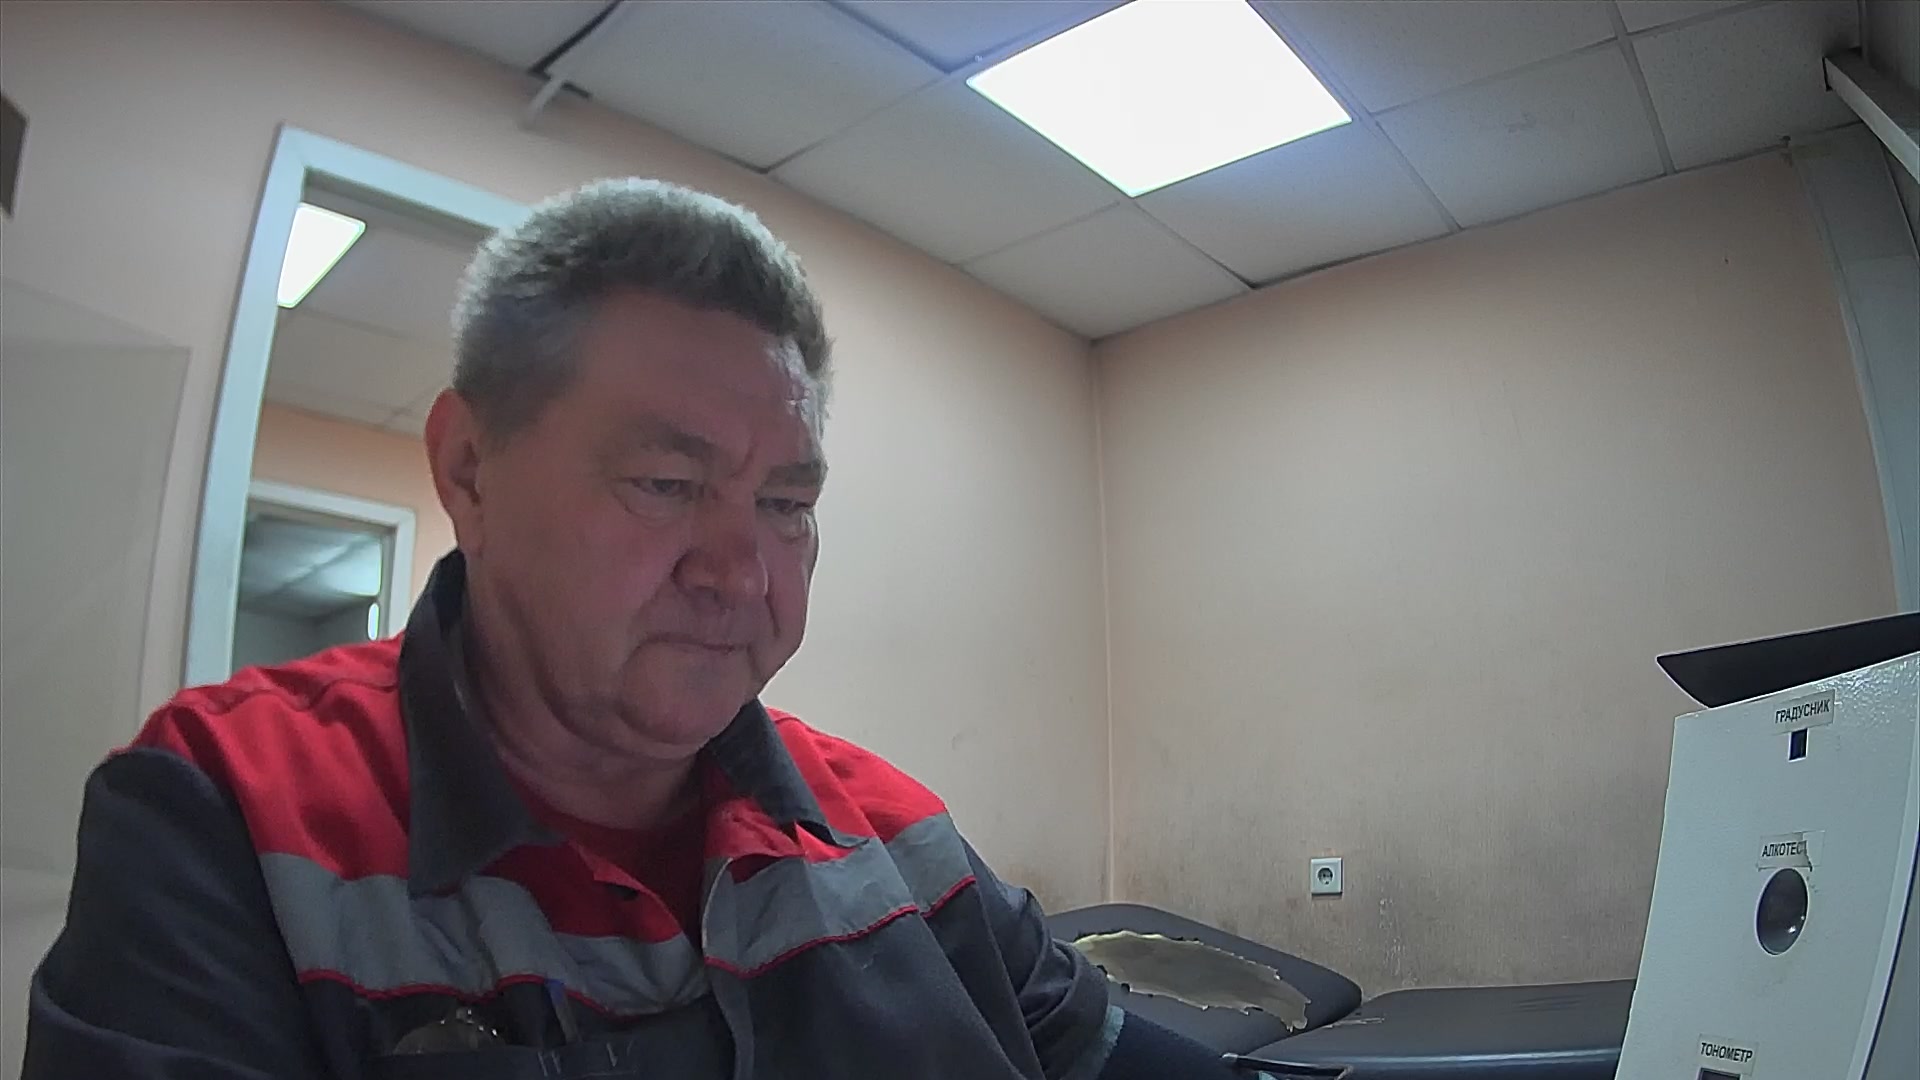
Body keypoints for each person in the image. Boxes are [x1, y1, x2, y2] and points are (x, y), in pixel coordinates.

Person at [24, 179, 1261, 1079]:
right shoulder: (225, 810)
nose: (742, 574)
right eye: (668, 484)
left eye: (787, 504)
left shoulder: (895, 833)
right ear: (469, 469)